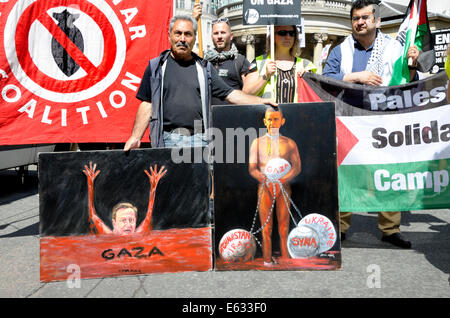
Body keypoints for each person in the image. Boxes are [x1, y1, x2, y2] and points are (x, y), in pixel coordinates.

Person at [322, 0, 417, 249]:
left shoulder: (394, 48)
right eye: (356, 18)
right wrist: (357, 76)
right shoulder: (341, 49)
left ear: (376, 20)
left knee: (388, 172)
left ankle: (390, 229)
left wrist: (412, 64)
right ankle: (340, 227)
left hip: (383, 120)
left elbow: (407, 82)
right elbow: (325, 78)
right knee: (346, 173)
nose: (360, 22)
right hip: (349, 120)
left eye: (365, 17)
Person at [124, 15, 276, 150]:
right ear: (169, 35)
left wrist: (261, 101)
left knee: (200, 183)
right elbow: (147, 104)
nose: (182, 39)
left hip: (200, 141)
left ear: (195, 38)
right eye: (178, 33)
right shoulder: (156, 67)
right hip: (167, 140)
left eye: (188, 34)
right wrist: (135, 137)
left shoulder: (205, 68)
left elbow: (231, 94)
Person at [248, 106, 301, 266]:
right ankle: (266, 259)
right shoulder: (257, 143)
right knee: (266, 227)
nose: (272, 122)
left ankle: (285, 258)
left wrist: (284, 179)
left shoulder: (290, 143)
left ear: (282, 121)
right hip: (265, 188)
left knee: (284, 225)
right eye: (269, 119)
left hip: (283, 187)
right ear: (265, 122)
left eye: (276, 119)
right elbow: (252, 168)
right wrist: (263, 178)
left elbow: (297, 167)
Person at [192, 4, 255, 105]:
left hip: (231, 117)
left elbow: (248, 92)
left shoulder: (240, 61)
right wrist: (193, 20)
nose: (219, 36)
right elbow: (186, 46)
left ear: (231, 36)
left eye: (223, 32)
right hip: (209, 117)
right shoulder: (204, 60)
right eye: (216, 33)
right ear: (212, 37)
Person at [82, 161, 167, 235]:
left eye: (131, 220)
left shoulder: (138, 233)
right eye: (123, 220)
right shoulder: (109, 235)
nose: (128, 225)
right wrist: (90, 185)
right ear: (114, 223)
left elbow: (148, 217)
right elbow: (93, 215)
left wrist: (153, 188)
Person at [244, 25, 317, 103]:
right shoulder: (260, 62)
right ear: (273, 36)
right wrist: (266, 76)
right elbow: (245, 94)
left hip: (297, 113)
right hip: (268, 113)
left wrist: (307, 79)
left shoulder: (305, 65)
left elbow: (316, 95)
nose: (288, 37)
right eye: (282, 33)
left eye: (292, 33)